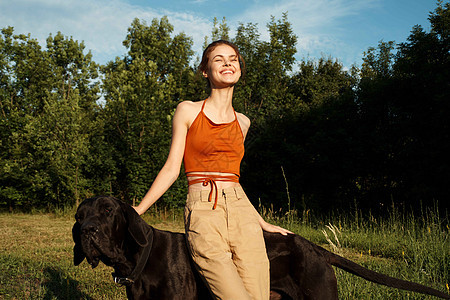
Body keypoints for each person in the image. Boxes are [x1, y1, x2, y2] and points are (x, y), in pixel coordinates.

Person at [134, 40, 292, 300]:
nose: (228, 63)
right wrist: (139, 209)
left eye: (233, 58)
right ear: (205, 70)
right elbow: (172, 168)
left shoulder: (243, 122)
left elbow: (235, 180)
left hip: (243, 215)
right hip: (204, 212)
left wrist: (260, 221)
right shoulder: (188, 110)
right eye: (218, 59)